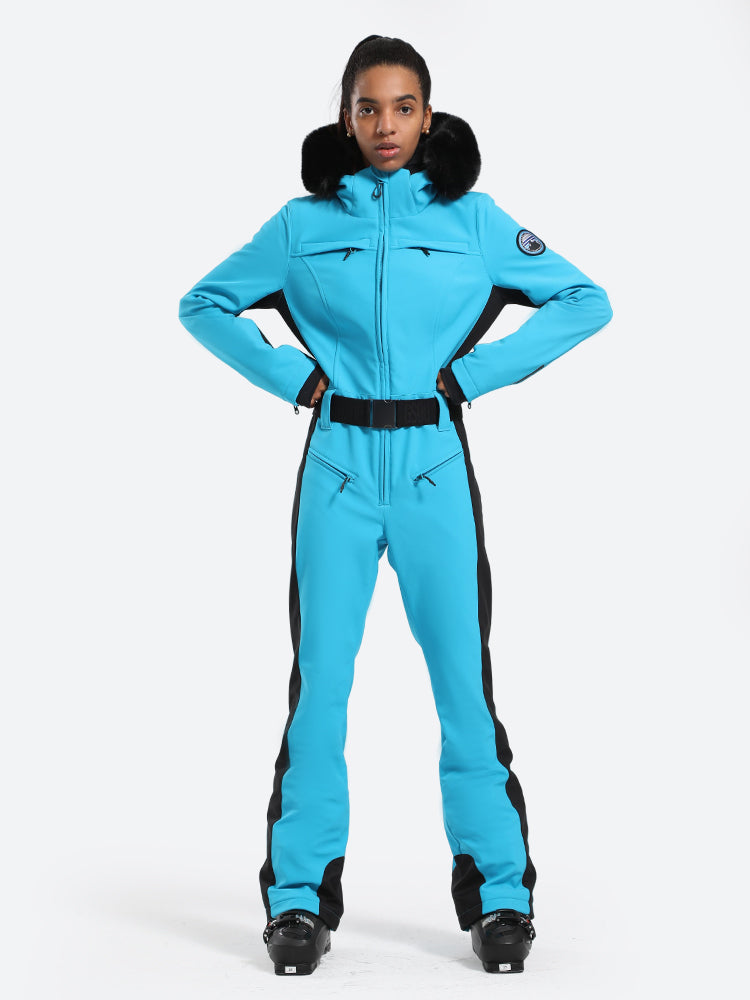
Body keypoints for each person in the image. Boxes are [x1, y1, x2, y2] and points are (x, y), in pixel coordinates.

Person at [178, 34, 613, 977]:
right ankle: (299, 902)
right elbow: (203, 304)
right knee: (320, 689)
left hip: (432, 469)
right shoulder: (299, 225)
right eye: (368, 108)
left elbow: (585, 300)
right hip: (336, 469)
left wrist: (473, 376)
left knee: (463, 686)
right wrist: (295, 380)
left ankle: (501, 897)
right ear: (346, 118)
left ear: (428, 115)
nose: (386, 126)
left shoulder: (474, 219)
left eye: (403, 107)